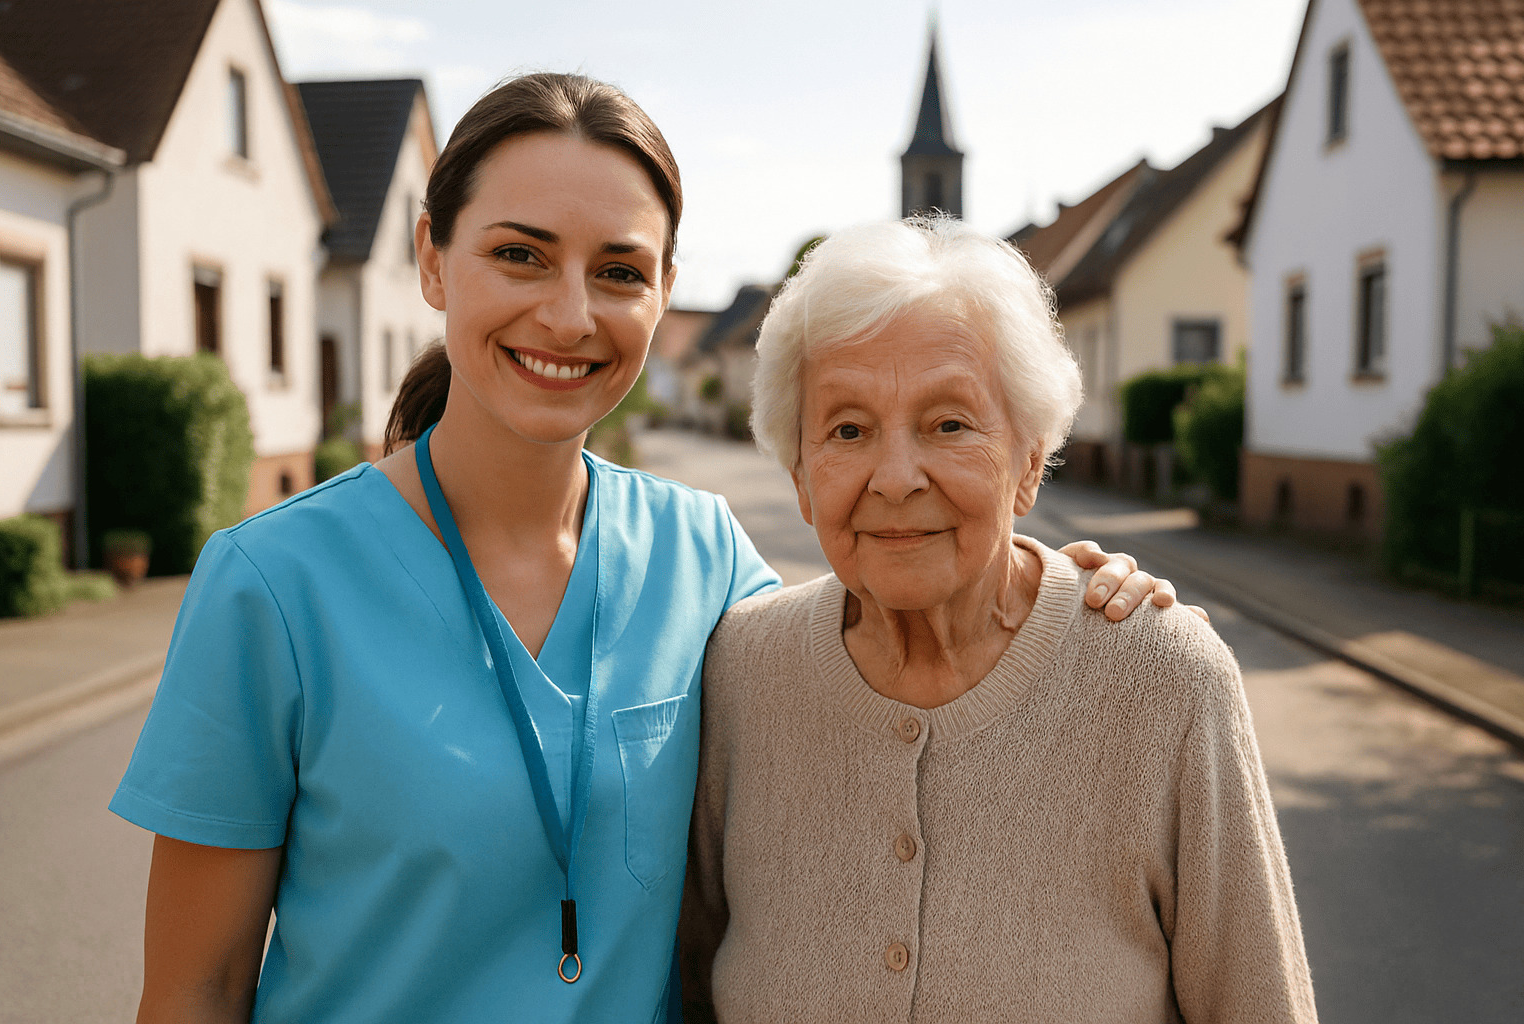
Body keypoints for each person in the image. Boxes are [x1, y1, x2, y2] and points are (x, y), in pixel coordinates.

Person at [110, 74, 1183, 1023]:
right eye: (519, 255)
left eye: (619, 270)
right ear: (433, 262)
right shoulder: (272, 585)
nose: (569, 313)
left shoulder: (703, 553)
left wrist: (1051, 586)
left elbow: (876, 660)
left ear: (664, 292)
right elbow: (195, 991)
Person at [680, 216, 1318, 1023]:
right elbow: (688, 987)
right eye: (848, 430)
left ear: (1026, 462)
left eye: (949, 424)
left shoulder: (1164, 680)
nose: (896, 475)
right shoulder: (741, 672)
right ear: (801, 474)